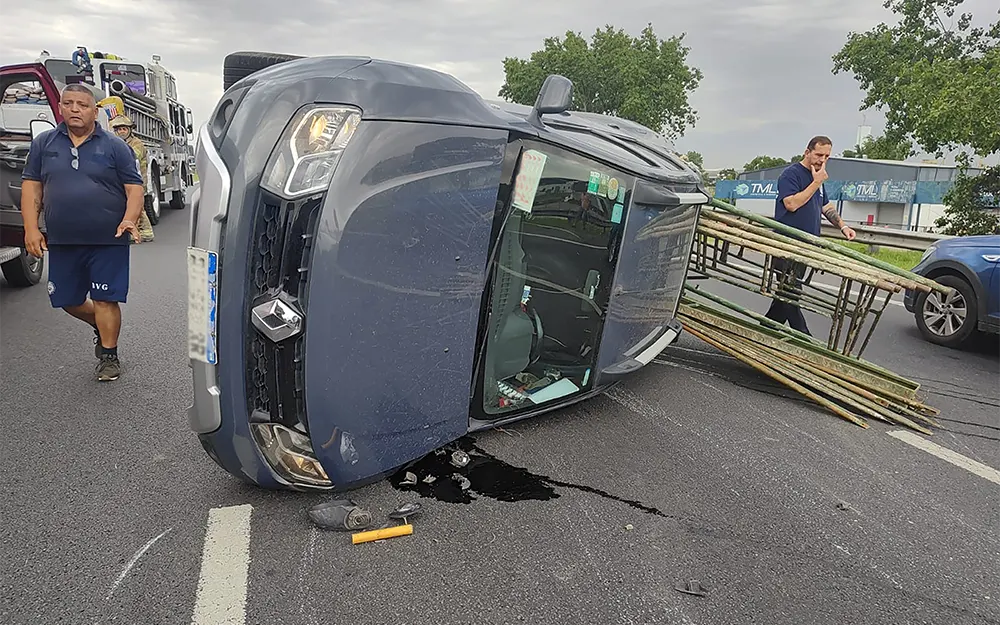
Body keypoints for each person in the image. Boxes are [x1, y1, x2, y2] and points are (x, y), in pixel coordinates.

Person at [20, 84, 144, 382]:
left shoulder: (115, 146)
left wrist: (129, 219)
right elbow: (31, 188)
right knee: (66, 299)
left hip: (108, 238)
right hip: (62, 238)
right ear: (60, 107)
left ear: (95, 111)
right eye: (69, 103)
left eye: (83, 105)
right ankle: (102, 326)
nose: (75, 109)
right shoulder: (44, 144)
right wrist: (30, 228)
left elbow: (134, 188)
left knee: (105, 299)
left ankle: (109, 354)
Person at [765, 135, 857, 336]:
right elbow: (791, 204)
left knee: (784, 296)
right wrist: (816, 182)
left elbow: (825, 205)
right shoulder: (791, 175)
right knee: (791, 294)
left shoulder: (819, 177)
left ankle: (764, 330)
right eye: (818, 155)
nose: (822, 160)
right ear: (807, 152)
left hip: (808, 245)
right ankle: (806, 339)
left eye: (827, 156)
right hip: (787, 245)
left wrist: (842, 226)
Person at [110, 114, 155, 242]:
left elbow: (133, 156)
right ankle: (140, 231)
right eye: (119, 129)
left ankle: (146, 233)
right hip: (126, 180)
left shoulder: (137, 143)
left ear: (130, 130)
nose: (121, 132)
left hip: (138, 180)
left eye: (124, 129)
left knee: (138, 207)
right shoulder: (118, 143)